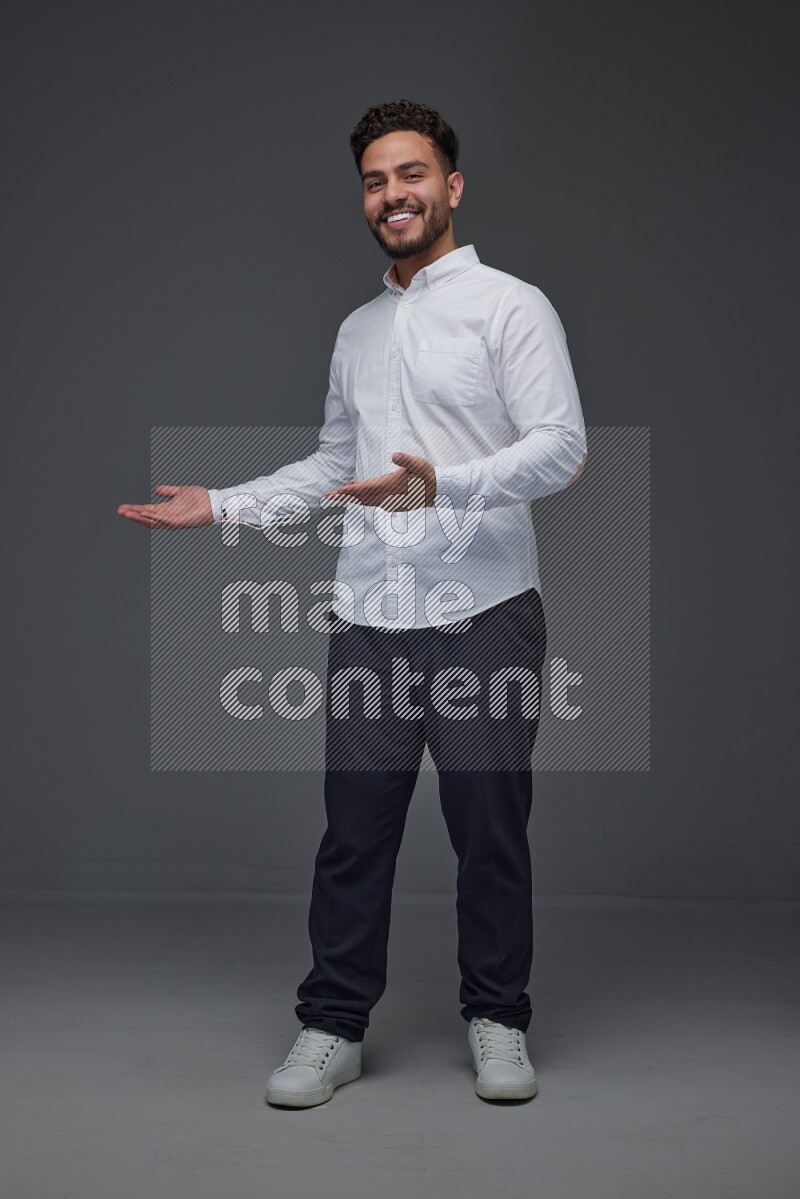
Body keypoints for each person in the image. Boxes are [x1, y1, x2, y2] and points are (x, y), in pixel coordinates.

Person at [118, 99, 587, 1107]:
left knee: (489, 830)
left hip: (484, 612)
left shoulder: (511, 305)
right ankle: (332, 1022)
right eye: (375, 181)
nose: (393, 196)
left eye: (410, 175)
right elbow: (335, 464)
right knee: (353, 833)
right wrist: (223, 506)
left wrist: (442, 485)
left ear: (450, 186)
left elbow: (560, 444)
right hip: (371, 619)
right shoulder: (358, 328)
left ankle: (496, 1017)